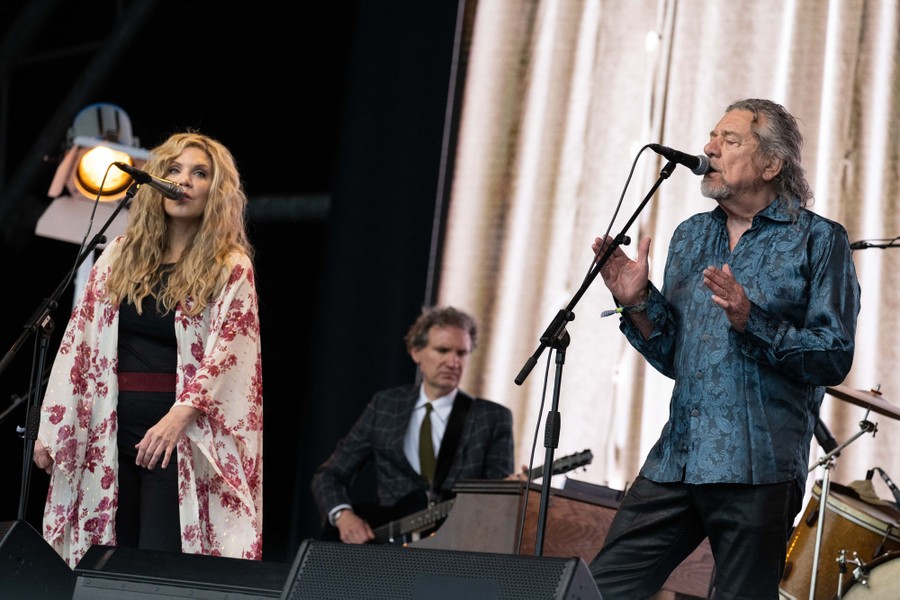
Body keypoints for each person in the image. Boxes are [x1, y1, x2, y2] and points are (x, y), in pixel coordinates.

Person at [588, 99, 861, 598]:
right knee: (599, 589)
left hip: (758, 469)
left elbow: (833, 356)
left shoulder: (819, 241)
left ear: (771, 164)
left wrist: (751, 320)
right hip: (679, 458)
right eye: (712, 136)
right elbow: (675, 357)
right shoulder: (691, 236)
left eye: (729, 140)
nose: (709, 148)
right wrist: (637, 303)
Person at [32, 131, 264, 568]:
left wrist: (176, 419)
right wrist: (53, 425)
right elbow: (79, 342)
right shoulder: (119, 255)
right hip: (107, 430)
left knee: (158, 565)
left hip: (179, 439)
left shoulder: (229, 266)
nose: (184, 181)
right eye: (174, 170)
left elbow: (230, 355)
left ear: (216, 191)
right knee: (102, 561)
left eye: (200, 173)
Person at [311, 305, 515, 544]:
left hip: (456, 544)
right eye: (443, 350)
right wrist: (343, 516)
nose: (453, 361)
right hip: (387, 546)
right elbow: (329, 475)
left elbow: (497, 501)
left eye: (461, 353)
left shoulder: (491, 417)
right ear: (416, 352)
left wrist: (513, 491)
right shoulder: (385, 405)